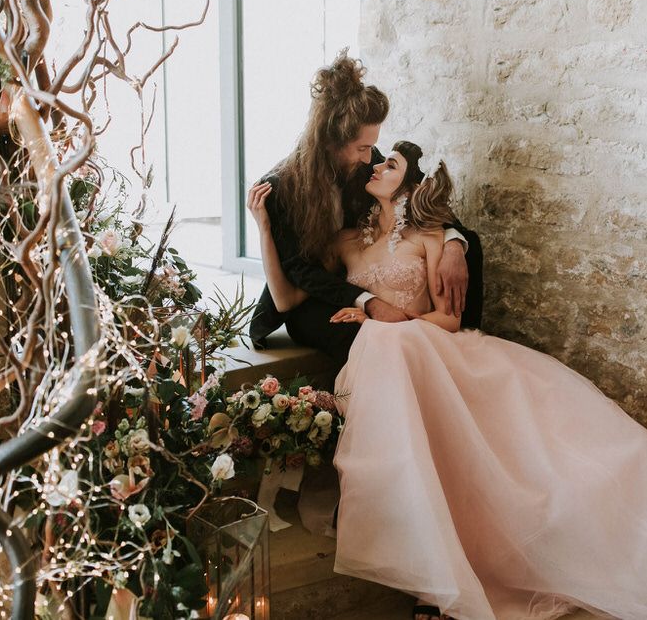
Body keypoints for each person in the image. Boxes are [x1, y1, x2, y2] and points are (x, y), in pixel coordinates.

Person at [247, 141, 647, 620]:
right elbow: (286, 296)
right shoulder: (346, 239)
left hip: (434, 350)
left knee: (392, 346)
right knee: (382, 345)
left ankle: (439, 578)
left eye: (388, 165)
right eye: (375, 160)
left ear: (408, 184)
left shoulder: (433, 235)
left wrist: (386, 320)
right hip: (384, 361)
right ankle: (430, 576)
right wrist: (264, 227)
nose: (375, 166)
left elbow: (450, 320)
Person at [248, 52, 482, 370]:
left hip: (360, 269)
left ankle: (457, 357)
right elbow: (301, 273)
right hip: (315, 294)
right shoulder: (280, 188)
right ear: (330, 140)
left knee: (472, 249)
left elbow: (417, 195)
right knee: (364, 335)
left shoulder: (368, 161)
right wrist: (369, 304)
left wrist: (453, 243)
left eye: (372, 147)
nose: (370, 157)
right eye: (361, 148)